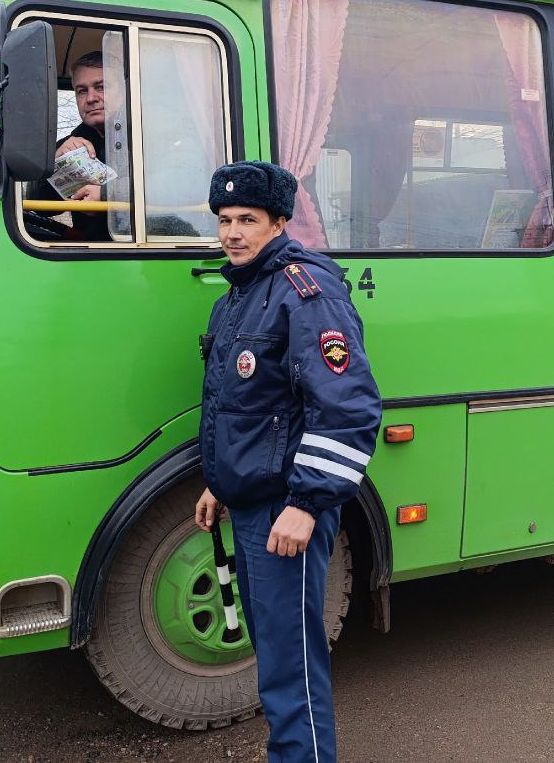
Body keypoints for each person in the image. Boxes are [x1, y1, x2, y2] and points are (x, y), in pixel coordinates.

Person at [194, 161, 381, 762]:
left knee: (290, 663)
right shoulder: (239, 297)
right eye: (224, 220)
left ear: (279, 221)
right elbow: (239, 404)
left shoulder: (307, 292)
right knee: (275, 651)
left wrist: (306, 504)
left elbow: (347, 407)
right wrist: (217, 482)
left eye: (247, 219)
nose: (232, 232)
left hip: (285, 510)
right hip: (251, 503)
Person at [25, 51, 113, 242]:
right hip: (87, 252)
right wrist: (57, 164)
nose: (91, 98)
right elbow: (40, 206)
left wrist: (106, 195)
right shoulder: (70, 144)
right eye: (82, 90)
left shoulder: (149, 136)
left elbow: (171, 184)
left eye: (101, 87)